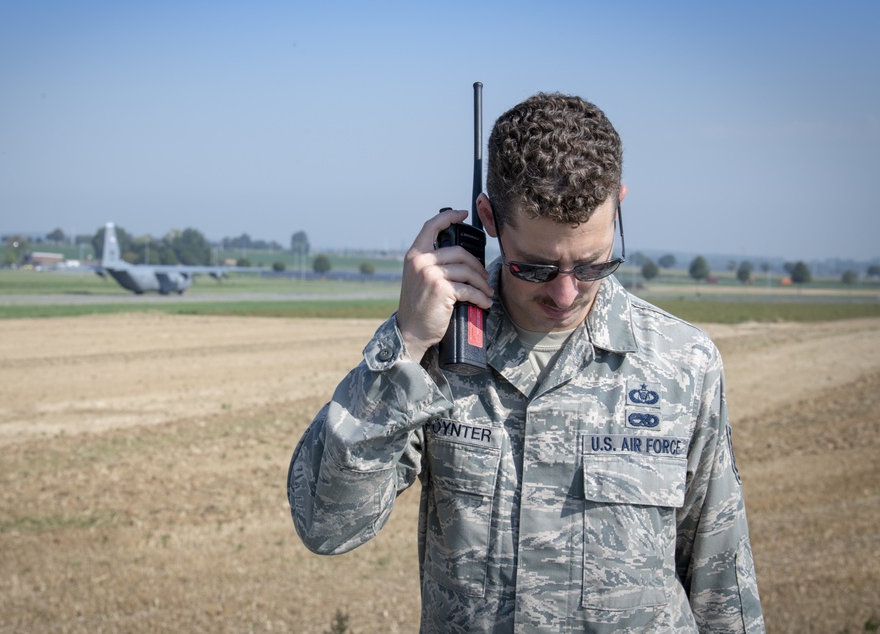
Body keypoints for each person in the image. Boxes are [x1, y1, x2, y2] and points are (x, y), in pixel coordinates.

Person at [287, 92, 764, 633]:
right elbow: (327, 524)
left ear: (620, 206)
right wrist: (406, 344)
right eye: (535, 268)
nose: (566, 293)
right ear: (487, 219)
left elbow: (721, 576)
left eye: (592, 264)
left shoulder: (685, 364)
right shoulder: (437, 353)